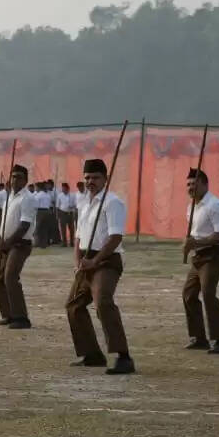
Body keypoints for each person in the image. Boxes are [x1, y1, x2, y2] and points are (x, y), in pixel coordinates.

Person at [66, 158, 133, 375]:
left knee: (103, 301)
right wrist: (78, 263)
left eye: (95, 177)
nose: (90, 181)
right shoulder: (83, 202)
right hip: (86, 260)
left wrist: (95, 261)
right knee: (73, 306)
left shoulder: (113, 202)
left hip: (106, 260)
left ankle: (123, 357)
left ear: (106, 178)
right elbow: (77, 237)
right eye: (87, 177)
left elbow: (115, 237)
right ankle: (92, 354)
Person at [182, 168, 219, 354]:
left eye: (194, 184)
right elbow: (194, 234)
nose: (190, 188)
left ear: (205, 184)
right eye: (188, 184)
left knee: (208, 293)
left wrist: (197, 242)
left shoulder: (215, 205)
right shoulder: (191, 206)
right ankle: (199, 338)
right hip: (199, 256)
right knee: (188, 294)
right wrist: (188, 245)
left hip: (214, 254)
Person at [0, 164, 35, 329]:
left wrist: (8, 242)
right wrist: (0, 242)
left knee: (10, 277)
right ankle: (8, 314)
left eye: (19, 177)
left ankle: (21, 317)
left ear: (25, 180)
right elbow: (4, 222)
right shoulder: (8, 197)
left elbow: (24, 225)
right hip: (6, 244)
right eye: (13, 176)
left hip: (19, 244)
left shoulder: (28, 198)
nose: (15, 180)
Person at [57, 182, 75, 247]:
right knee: (63, 229)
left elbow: (75, 205)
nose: (63, 190)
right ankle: (64, 243)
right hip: (62, 213)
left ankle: (72, 242)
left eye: (65, 188)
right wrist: (58, 215)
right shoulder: (60, 195)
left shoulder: (73, 195)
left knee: (72, 229)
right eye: (63, 188)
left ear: (68, 188)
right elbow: (57, 206)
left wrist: (72, 206)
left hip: (70, 213)